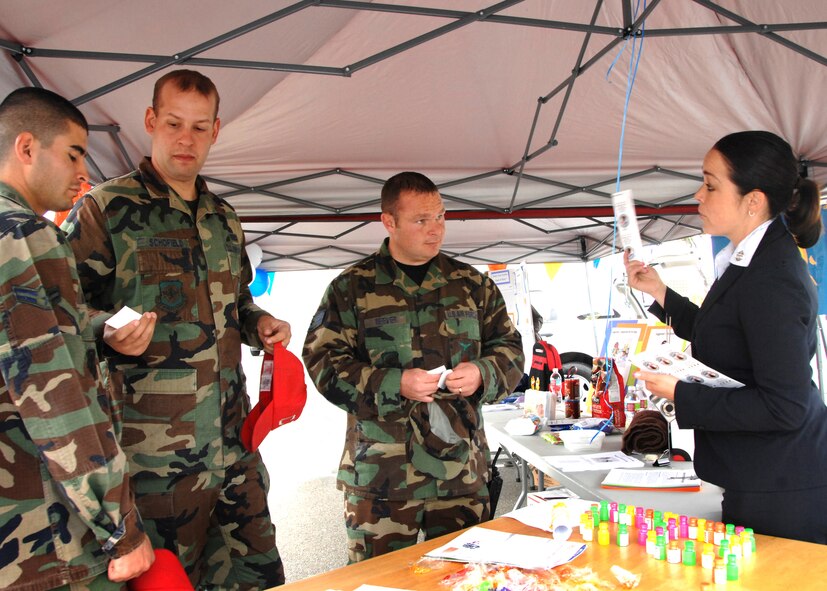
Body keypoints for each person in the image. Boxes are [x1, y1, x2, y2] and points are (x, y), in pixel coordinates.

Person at [62, 70, 290, 588]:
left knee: (260, 577)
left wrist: (262, 325)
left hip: (235, 450)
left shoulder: (223, 217)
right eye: (173, 123)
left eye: (199, 126)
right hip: (155, 464)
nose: (185, 139)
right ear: (150, 122)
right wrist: (105, 330)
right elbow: (58, 311)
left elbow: (238, 303)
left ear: (216, 130)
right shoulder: (105, 209)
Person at [303, 171, 525, 562]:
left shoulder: (472, 285)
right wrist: (394, 383)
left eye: (439, 216)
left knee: (466, 581)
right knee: (378, 584)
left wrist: (482, 373)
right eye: (421, 220)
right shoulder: (352, 288)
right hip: (381, 480)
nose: (435, 229)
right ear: (389, 222)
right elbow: (324, 364)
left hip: (460, 475)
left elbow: (510, 350)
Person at [626, 130, 827, 544]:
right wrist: (660, 293)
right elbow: (724, 332)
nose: (699, 195)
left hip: (784, 485)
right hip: (762, 475)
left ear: (753, 201)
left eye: (711, 185)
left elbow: (784, 406)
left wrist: (682, 394)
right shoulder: (749, 261)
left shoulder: (772, 278)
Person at [0, 87, 155, 588]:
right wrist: (121, 528)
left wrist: (94, 328)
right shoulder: (24, 234)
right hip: (44, 531)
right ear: (27, 149)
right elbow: (55, 391)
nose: (83, 174)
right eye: (72, 154)